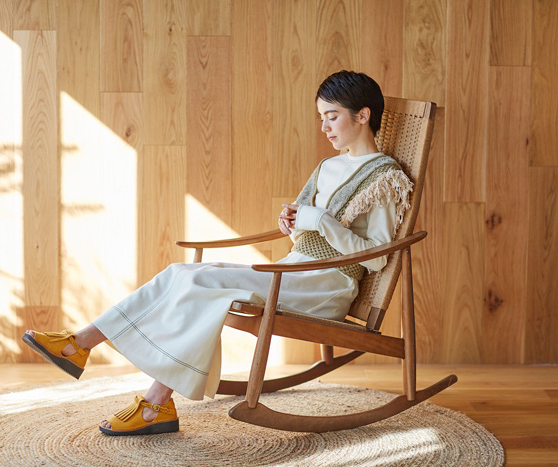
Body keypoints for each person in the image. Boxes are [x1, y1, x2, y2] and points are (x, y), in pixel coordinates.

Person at [22, 70, 413, 436]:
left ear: (363, 115)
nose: (324, 127)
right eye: (321, 117)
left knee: (202, 279)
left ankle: (116, 372)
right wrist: (294, 224)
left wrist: (321, 220)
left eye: (332, 116)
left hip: (324, 286)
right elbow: (306, 233)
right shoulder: (328, 166)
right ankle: (95, 355)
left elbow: (377, 257)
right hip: (292, 271)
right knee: (181, 273)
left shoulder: (385, 177)